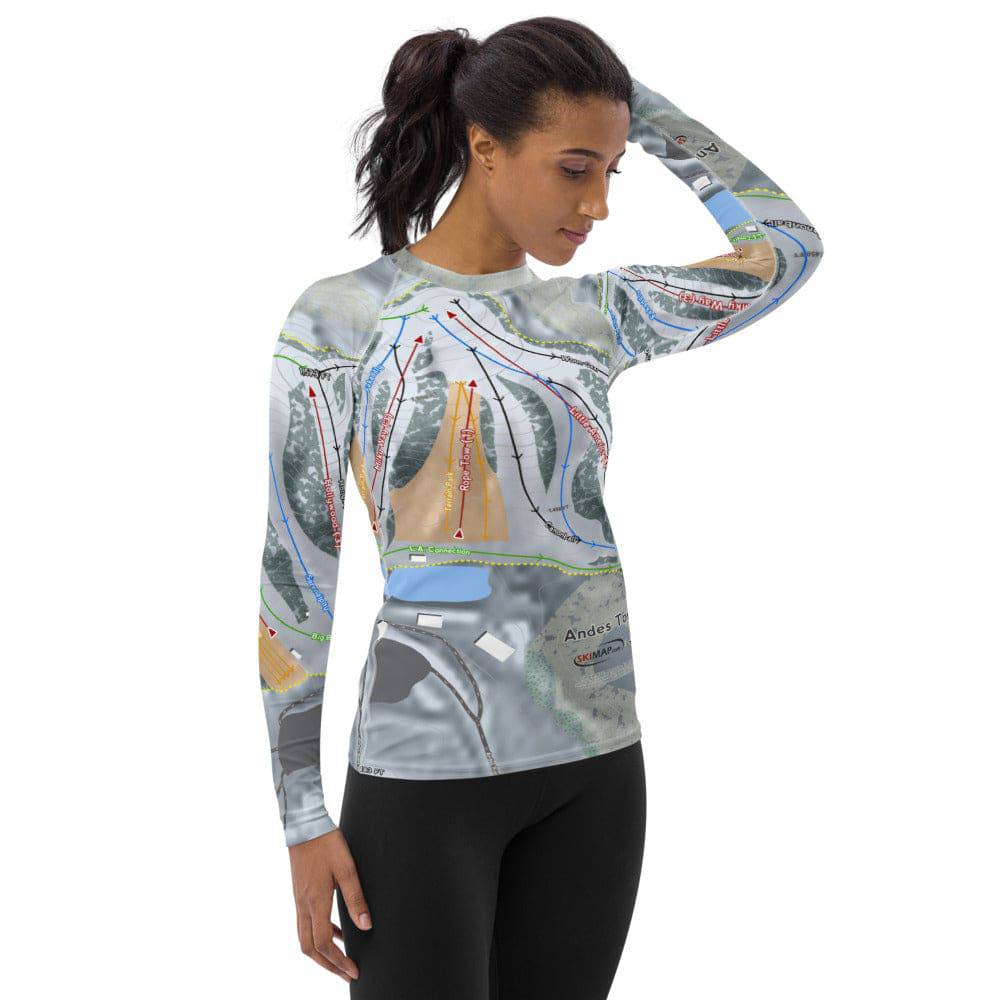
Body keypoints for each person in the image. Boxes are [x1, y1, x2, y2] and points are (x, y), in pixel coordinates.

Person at [257, 15, 823, 998]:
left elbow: (786, 248)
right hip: (421, 780)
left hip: (594, 768)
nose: (598, 204)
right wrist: (302, 816)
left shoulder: (595, 313)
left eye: (611, 171)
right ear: (485, 146)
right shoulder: (342, 319)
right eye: (573, 168)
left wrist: (636, 110)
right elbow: (296, 575)